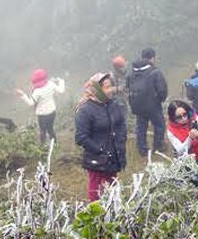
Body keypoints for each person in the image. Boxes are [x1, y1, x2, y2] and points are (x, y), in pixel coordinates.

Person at [75, 72, 127, 201]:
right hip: (97, 158)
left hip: (114, 153)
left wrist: (121, 140)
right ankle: (96, 214)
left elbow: (120, 123)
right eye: (106, 87)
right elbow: (81, 137)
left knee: (113, 184)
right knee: (96, 188)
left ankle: (113, 208)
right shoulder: (85, 110)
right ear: (97, 89)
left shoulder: (112, 104)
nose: (111, 91)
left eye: (111, 86)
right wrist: (101, 150)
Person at [126, 48, 168, 156]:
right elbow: (162, 89)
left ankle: (142, 149)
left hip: (138, 105)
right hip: (153, 105)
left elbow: (127, 88)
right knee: (159, 125)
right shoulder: (155, 72)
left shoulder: (132, 73)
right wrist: (160, 99)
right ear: (152, 58)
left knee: (141, 127)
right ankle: (158, 146)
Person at [166, 100, 198, 188]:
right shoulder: (171, 130)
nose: (183, 118)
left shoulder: (196, 119)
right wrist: (190, 138)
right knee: (182, 181)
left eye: (185, 114)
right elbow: (180, 150)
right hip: (187, 159)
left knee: (194, 178)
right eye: (179, 117)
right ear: (173, 118)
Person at [16, 69, 65, 143]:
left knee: (43, 131)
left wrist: (22, 95)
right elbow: (61, 90)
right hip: (52, 112)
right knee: (50, 129)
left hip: (42, 115)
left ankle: (42, 146)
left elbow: (31, 103)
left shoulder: (37, 91)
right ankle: (54, 144)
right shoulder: (51, 84)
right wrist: (61, 81)